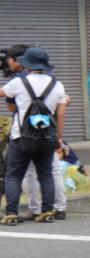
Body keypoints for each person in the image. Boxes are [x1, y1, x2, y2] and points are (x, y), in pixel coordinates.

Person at [2, 47, 67, 226]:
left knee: (13, 175)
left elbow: (3, 94)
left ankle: (11, 213)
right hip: (47, 137)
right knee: (45, 174)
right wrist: (59, 138)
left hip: (21, 137)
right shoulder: (58, 85)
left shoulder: (18, 83)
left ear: (27, 64)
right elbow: (60, 114)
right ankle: (47, 211)